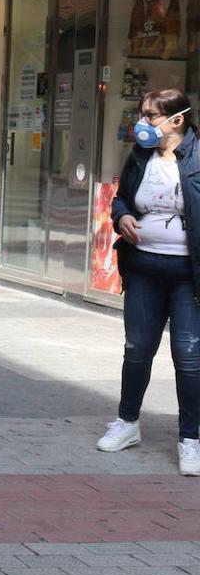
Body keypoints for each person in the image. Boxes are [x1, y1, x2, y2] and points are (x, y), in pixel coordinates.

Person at [99, 88, 200, 476]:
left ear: (177, 121)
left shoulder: (195, 157)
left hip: (186, 275)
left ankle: (189, 440)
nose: (142, 123)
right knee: (137, 349)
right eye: (141, 114)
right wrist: (122, 216)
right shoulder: (141, 156)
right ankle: (127, 424)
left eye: (150, 116)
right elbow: (121, 199)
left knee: (189, 358)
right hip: (142, 268)